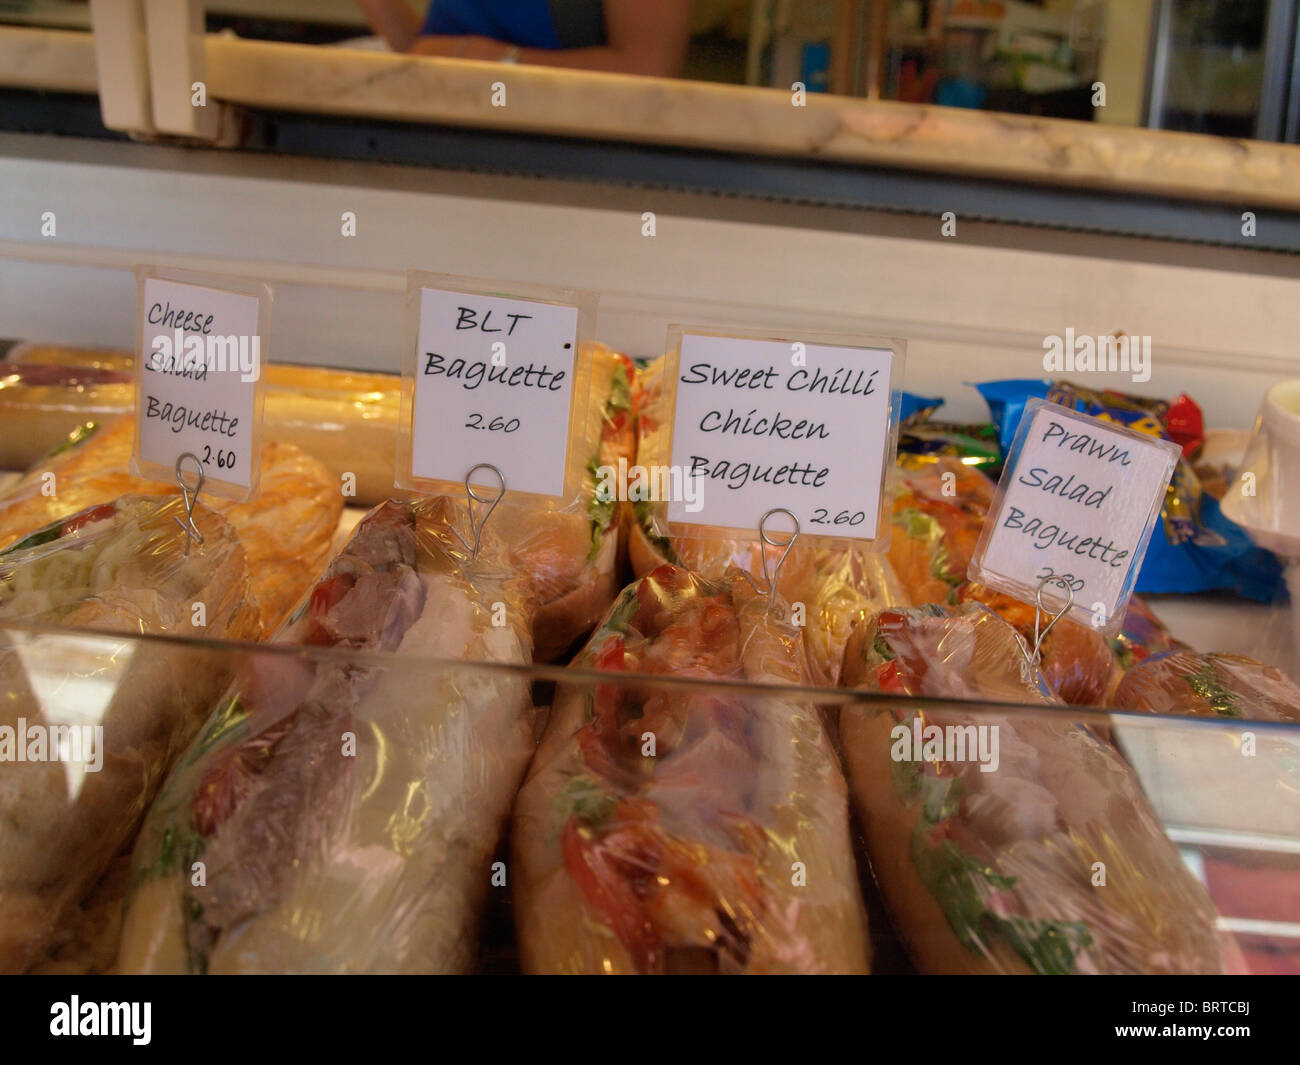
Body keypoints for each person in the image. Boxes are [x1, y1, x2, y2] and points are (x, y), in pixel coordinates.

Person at [357, 0, 694, 77]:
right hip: (438, 141)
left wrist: (493, 62)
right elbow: (426, 52)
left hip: (560, 165)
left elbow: (649, 71)